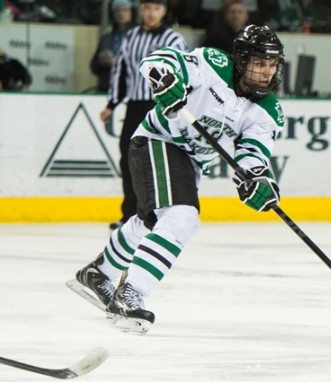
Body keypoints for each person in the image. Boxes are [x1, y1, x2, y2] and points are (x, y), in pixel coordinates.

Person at [74, 24, 284, 332]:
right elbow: (158, 61)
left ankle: (99, 273)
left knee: (151, 222)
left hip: (190, 162)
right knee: (182, 217)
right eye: (259, 63)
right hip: (157, 140)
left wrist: (255, 179)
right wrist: (166, 79)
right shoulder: (214, 63)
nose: (266, 72)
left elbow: (253, 154)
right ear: (241, 60)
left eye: (272, 64)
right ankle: (131, 293)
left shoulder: (268, 111)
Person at [101, 0, 188, 230]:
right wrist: (111, 103)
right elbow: (120, 70)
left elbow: (186, 73)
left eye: (156, 9)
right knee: (128, 158)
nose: (151, 13)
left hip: (161, 107)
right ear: (141, 10)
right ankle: (130, 214)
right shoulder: (130, 37)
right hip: (135, 106)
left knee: (155, 161)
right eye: (147, 8)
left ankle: (155, 213)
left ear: (164, 11)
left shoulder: (173, 40)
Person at [90, 0, 135, 93]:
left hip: (130, 90)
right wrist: (101, 61)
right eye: (118, 11)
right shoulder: (107, 38)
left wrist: (117, 61)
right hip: (107, 88)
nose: (121, 14)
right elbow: (94, 67)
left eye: (125, 10)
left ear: (132, 13)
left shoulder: (139, 37)